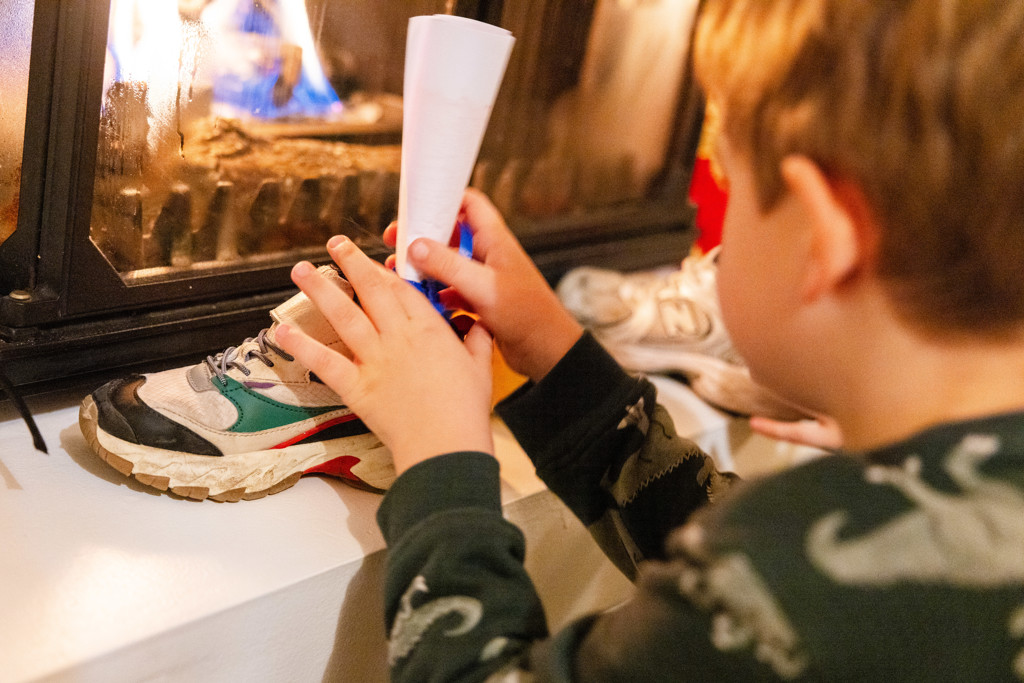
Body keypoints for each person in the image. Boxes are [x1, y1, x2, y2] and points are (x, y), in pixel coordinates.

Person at [276, 0, 1024, 679]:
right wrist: (562, 366)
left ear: (819, 242)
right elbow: (732, 602)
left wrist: (441, 459)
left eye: (729, 187)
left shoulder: (801, 571)